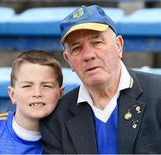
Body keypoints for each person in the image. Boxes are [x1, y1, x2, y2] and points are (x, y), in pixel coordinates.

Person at [41, 5, 161, 154]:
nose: (88, 55)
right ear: (68, 60)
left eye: (97, 42)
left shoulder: (158, 94)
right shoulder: (57, 119)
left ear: (118, 46)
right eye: (76, 48)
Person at [0, 50, 64, 154]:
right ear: (12, 94)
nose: (37, 93)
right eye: (27, 86)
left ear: (61, 93)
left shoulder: (69, 138)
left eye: (46, 86)